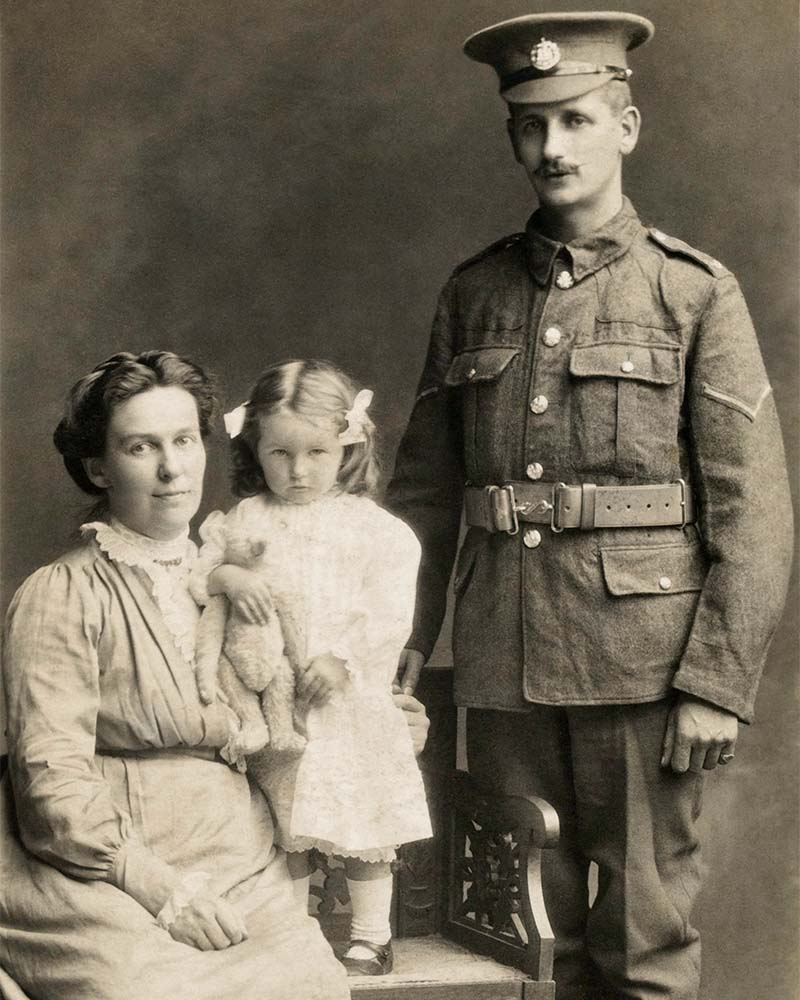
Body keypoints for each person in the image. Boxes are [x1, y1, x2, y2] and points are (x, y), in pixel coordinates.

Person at [386, 12, 793, 1000]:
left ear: (625, 124)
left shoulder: (689, 292)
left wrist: (712, 684)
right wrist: (390, 656)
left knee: (643, 940)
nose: (550, 148)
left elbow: (753, 513)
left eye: (572, 120)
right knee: (523, 938)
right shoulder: (473, 294)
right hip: (503, 669)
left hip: (643, 675)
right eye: (529, 128)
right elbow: (422, 500)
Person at [0, 350, 429, 999]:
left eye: (183, 441)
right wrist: (163, 890)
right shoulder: (63, 593)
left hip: (245, 864)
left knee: (303, 987)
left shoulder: (239, 580)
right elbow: (49, 782)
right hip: (103, 873)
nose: (171, 469)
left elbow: (293, 713)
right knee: (149, 989)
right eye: (141, 447)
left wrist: (382, 724)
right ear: (98, 466)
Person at [190, 359, 433, 977]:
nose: (298, 472)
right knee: (283, 822)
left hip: (345, 701)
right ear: (256, 450)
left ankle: (371, 935)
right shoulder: (246, 520)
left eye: (317, 452)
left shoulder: (376, 532)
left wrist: (344, 659)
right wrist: (229, 574)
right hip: (275, 701)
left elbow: (386, 612)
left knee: (361, 819)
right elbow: (199, 577)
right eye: (280, 454)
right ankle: (291, 931)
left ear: (348, 445)